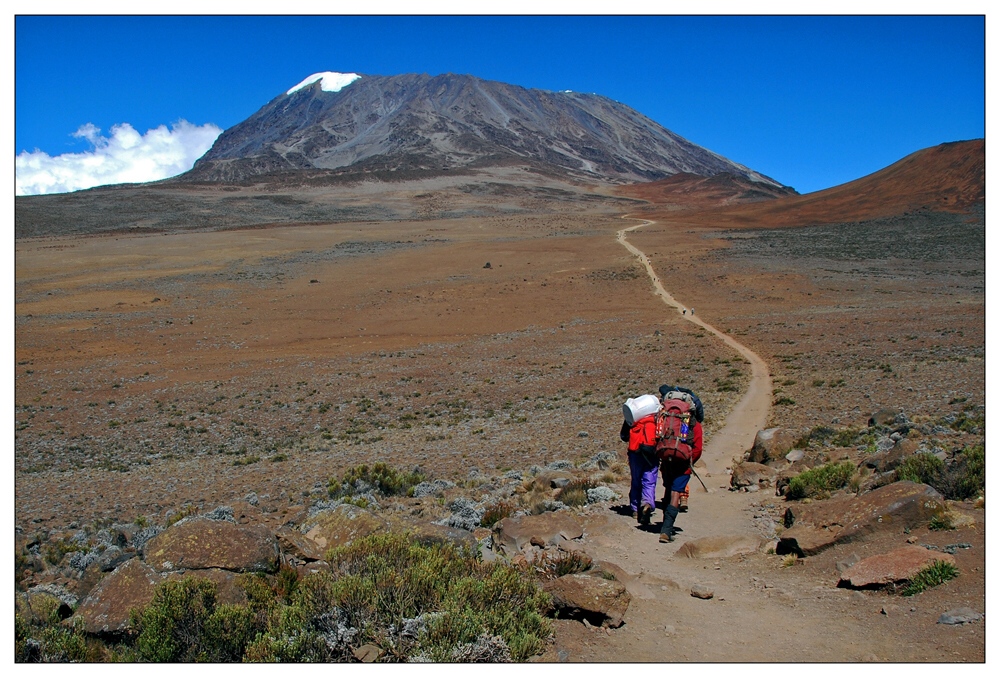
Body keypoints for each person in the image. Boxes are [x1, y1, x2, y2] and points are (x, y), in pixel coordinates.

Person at [655, 386, 704, 543]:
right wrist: (690, 462)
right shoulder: (692, 423)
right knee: (676, 493)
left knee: (668, 490)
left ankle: (664, 522)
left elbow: (658, 437)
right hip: (683, 463)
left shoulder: (666, 418)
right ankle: (667, 530)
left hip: (666, 458)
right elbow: (698, 448)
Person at [620, 415, 659, 525]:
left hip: (635, 453)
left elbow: (624, 436)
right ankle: (647, 503)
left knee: (636, 480)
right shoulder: (657, 417)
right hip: (652, 452)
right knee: (650, 481)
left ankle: (635, 509)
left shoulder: (633, 416)